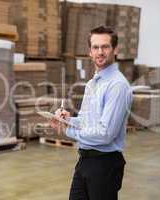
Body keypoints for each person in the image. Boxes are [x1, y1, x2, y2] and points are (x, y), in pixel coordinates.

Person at [51, 26, 132, 200]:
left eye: (105, 47)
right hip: (85, 161)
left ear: (115, 50)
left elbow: (105, 134)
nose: (100, 52)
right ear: (90, 52)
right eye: (95, 47)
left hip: (105, 164)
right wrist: (68, 120)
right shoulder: (92, 83)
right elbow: (87, 120)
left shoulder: (117, 85)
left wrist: (68, 131)